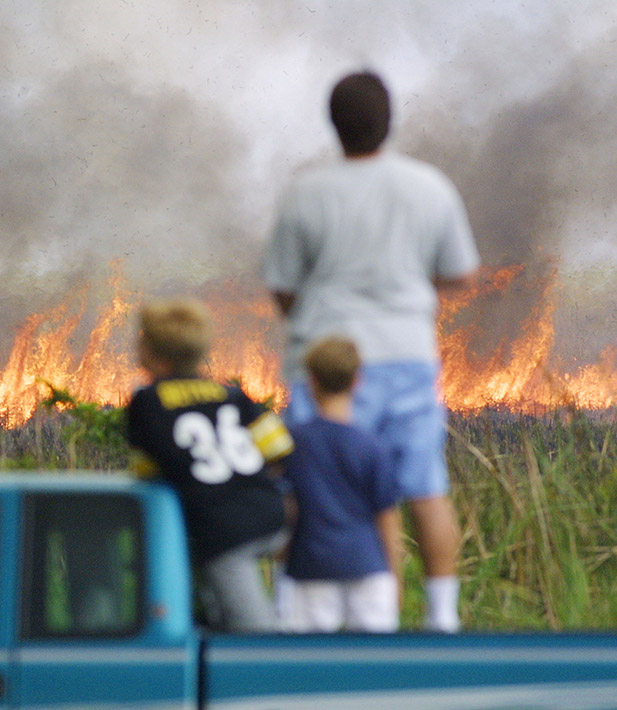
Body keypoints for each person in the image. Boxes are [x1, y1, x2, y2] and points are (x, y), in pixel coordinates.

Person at [263, 70, 480, 632]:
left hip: (326, 360)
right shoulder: (429, 187)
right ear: (390, 121)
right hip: (407, 356)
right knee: (425, 488)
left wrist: (309, 320)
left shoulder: (305, 192)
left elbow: (282, 285)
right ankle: (441, 618)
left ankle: (290, 609)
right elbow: (460, 271)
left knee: (301, 486)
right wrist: (406, 287)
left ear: (332, 123)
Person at [126, 298, 294, 632]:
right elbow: (281, 449)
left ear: (151, 354)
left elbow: (146, 474)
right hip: (273, 516)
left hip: (224, 533)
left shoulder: (147, 403)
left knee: (255, 634)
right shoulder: (230, 394)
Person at [275, 336, 402, 633]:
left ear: (312, 381)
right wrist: (394, 577)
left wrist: (282, 560)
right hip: (367, 566)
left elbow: (287, 509)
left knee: (308, 656)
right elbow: (386, 517)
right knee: (374, 656)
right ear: (357, 382)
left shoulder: (292, 443)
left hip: (310, 567)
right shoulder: (372, 447)